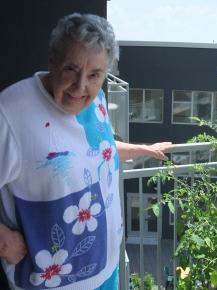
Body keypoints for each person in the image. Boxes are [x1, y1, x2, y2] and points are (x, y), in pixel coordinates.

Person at [0, 13, 173, 290]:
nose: (81, 86)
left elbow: (95, 151)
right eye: (71, 69)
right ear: (52, 60)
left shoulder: (97, 101)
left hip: (107, 272)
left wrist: (142, 149)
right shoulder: (10, 114)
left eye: (94, 75)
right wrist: (4, 240)